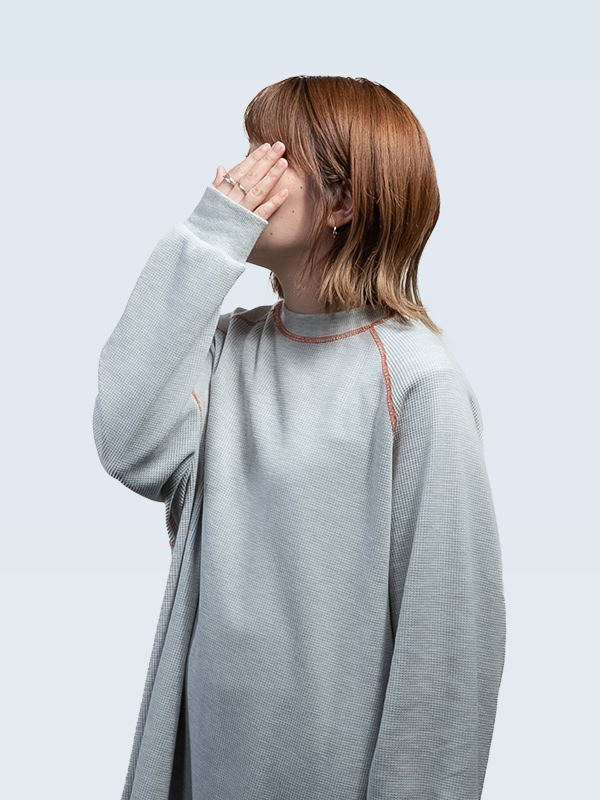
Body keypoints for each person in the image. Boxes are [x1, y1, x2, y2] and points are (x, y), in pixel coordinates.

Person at [93, 75, 506, 800]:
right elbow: (128, 445)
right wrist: (208, 238)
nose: (238, 175)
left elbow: (448, 653)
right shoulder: (225, 349)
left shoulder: (418, 380)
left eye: (271, 154)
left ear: (340, 201)